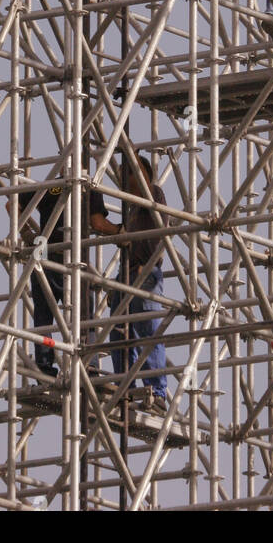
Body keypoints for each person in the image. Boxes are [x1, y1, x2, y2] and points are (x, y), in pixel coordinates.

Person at [17, 178, 119, 377]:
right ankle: (90, 368)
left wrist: (26, 233)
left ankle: (45, 371)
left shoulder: (50, 187)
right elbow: (97, 223)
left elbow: (12, 204)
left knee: (44, 319)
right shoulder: (88, 188)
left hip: (45, 253)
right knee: (83, 317)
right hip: (73, 258)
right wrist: (120, 232)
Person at [108, 152, 169, 413]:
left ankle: (156, 393)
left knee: (147, 331)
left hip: (145, 272)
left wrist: (126, 148)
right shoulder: (132, 208)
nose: (123, 178)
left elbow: (159, 228)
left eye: (128, 172)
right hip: (128, 274)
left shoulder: (152, 193)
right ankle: (127, 387)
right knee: (118, 332)